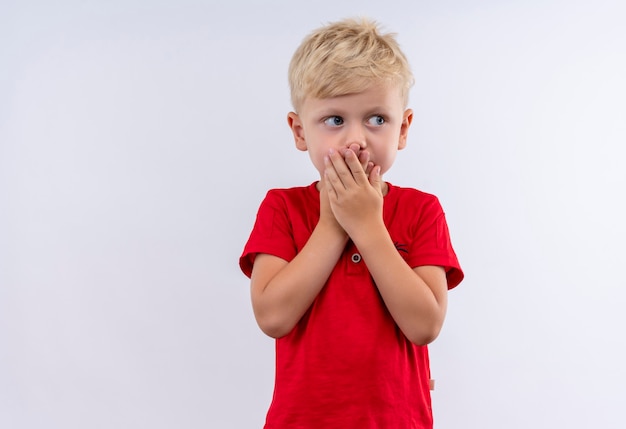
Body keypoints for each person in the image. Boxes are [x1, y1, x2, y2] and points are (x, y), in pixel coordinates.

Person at [239, 17, 464, 429]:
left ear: (403, 128)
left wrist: (367, 226)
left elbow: (425, 325)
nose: (356, 138)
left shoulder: (422, 210)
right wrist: (332, 225)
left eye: (377, 118)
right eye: (335, 120)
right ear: (299, 130)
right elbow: (273, 317)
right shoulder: (282, 208)